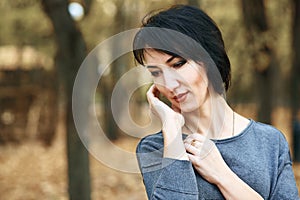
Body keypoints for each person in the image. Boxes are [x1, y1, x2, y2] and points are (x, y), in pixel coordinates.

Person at [132, 5, 299, 200]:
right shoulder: (155, 148)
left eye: (177, 64)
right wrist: (172, 133)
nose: (168, 84)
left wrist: (222, 175)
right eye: (156, 72)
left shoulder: (270, 142)